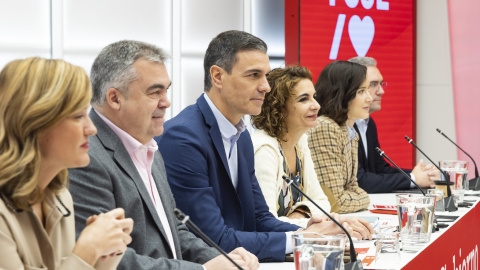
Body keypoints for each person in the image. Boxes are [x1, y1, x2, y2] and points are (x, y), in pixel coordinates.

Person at [157, 30, 368, 263]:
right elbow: (212, 239)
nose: (266, 86)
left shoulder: (241, 135)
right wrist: (302, 239)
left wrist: (308, 232)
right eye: (254, 75)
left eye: (266, 75)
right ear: (217, 76)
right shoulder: (184, 137)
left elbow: (259, 217)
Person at [68, 40, 258, 270]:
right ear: (115, 98)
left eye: (166, 90)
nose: (166, 102)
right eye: (154, 92)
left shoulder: (150, 150)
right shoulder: (85, 158)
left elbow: (173, 230)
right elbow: (109, 259)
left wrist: (220, 258)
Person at [0, 57, 134, 269]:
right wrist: (86, 251)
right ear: (34, 121)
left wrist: (104, 255)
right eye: (77, 115)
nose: (92, 129)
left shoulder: (60, 197)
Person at [251, 66, 374, 238]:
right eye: (303, 99)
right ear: (278, 108)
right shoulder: (264, 150)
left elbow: (323, 203)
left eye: (314, 97)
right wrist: (316, 223)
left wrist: (301, 212)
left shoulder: (300, 141)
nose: (316, 105)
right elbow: (267, 223)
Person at [348, 56, 438, 193]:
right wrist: (413, 178)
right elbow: (359, 181)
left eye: (381, 84)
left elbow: (380, 169)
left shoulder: (368, 123)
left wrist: (424, 176)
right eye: (373, 84)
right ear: (354, 88)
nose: (381, 91)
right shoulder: (342, 125)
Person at [308, 60, 371, 214]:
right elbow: (336, 202)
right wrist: (365, 198)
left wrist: (355, 195)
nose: (369, 98)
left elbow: (351, 187)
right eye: (361, 91)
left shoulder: (348, 130)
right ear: (342, 93)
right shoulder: (325, 127)